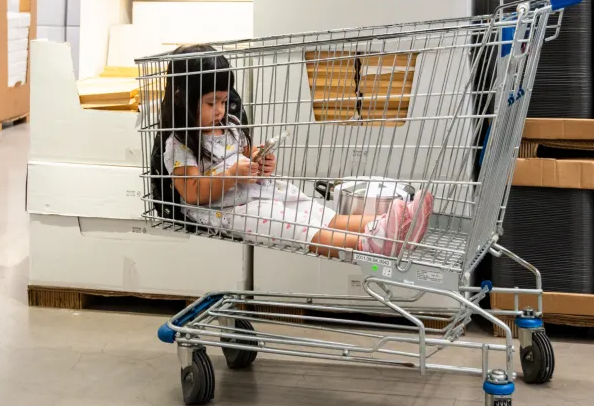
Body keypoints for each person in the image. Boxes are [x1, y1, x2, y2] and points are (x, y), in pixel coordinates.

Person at [160, 44, 433, 258]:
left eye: (223, 100)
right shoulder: (180, 144)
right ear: (181, 97)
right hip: (230, 211)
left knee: (316, 212)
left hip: (262, 193)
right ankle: (370, 244)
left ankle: (394, 223)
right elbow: (192, 192)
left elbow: (244, 154)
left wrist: (259, 161)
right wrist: (232, 175)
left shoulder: (229, 125)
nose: (220, 110)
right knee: (301, 228)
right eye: (211, 103)